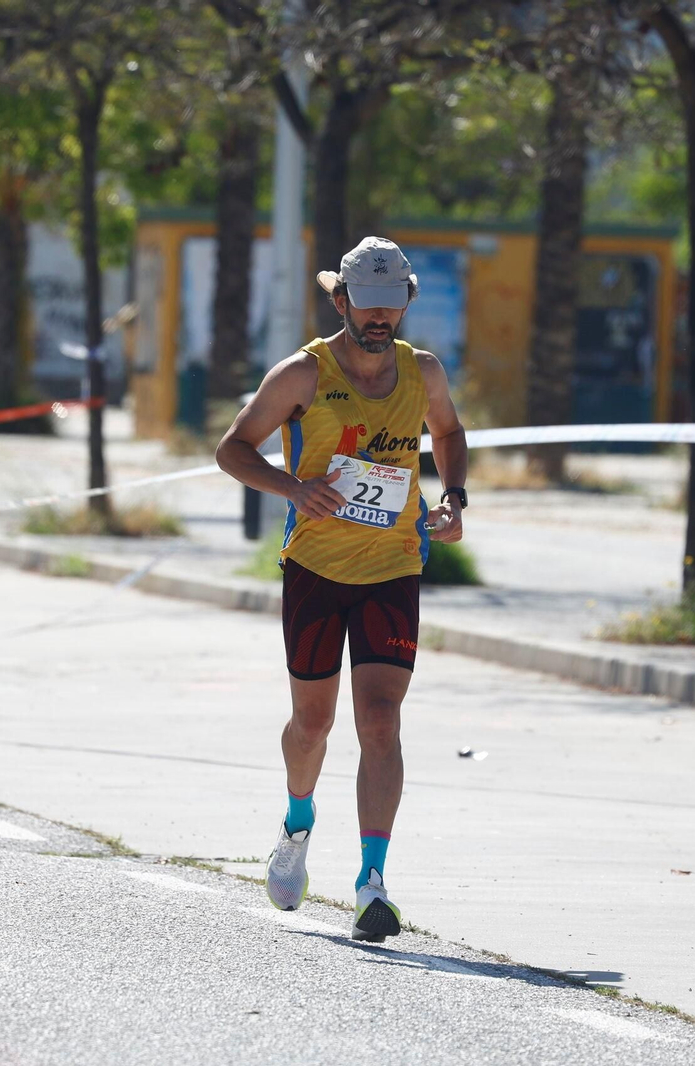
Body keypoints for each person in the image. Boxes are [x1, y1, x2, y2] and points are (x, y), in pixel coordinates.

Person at [215, 236, 469, 942]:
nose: (379, 321)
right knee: (314, 725)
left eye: (391, 308)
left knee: (381, 721)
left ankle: (372, 885)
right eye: (367, 308)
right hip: (316, 571)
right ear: (341, 301)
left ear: (406, 303)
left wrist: (454, 501)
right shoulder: (303, 373)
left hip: (393, 568)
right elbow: (232, 448)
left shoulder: (424, 372)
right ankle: (297, 824)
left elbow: (448, 433)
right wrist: (293, 488)